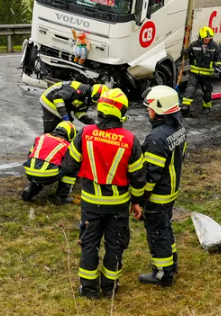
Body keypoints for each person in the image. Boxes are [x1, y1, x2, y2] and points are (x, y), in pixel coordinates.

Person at [60, 88, 147, 299]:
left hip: (90, 204)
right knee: (114, 245)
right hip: (118, 205)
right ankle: (110, 288)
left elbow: (69, 165)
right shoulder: (130, 140)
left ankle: (89, 290)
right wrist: (137, 202)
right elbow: (138, 178)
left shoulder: (86, 133)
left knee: (89, 245)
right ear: (121, 112)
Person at [137, 86, 189, 287]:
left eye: (149, 107)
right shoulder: (178, 129)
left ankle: (163, 273)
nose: (148, 111)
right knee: (165, 227)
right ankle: (171, 261)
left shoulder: (156, 138)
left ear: (159, 110)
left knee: (156, 232)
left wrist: (140, 199)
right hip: (171, 190)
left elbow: (151, 175)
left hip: (158, 195)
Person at [21, 121, 77, 204]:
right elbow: (70, 163)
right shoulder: (66, 145)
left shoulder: (41, 137)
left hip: (29, 172)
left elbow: (30, 154)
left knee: (40, 173)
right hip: (48, 174)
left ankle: (30, 190)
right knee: (72, 169)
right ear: (70, 134)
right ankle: (62, 197)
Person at [181, 26, 221, 117]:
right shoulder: (194, 45)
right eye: (205, 39)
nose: (207, 40)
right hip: (194, 73)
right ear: (200, 37)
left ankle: (206, 107)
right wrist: (185, 53)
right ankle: (185, 107)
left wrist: (217, 70)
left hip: (207, 74)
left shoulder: (215, 47)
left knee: (207, 91)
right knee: (190, 89)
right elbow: (188, 54)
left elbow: (219, 60)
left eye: (209, 39)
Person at [39, 81, 106, 134]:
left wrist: (92, 122)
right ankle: (47, 139)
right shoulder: (76, 89)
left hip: (63, 103)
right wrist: (65, 116)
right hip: (49, 99)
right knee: (60, 124)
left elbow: (79, 113)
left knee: (67, 124)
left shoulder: (88, 98)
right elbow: (57, 97)